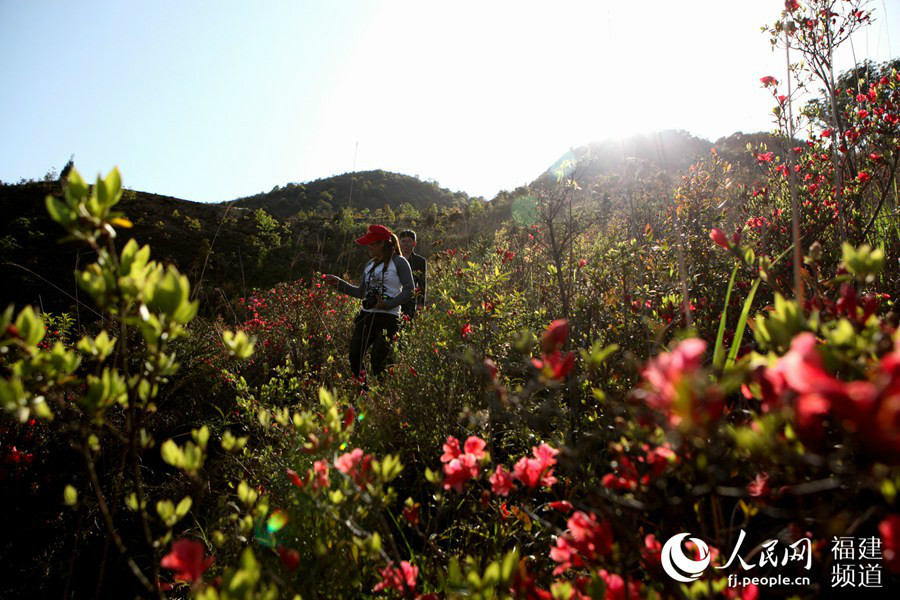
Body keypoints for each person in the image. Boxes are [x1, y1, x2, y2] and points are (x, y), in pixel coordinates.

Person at [323, 225, 414, 383]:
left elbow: (410, 289)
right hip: (366, 316)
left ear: (382, 243)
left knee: (378, 362)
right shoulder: (369, 265)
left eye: (371, 243)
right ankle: (363, 392)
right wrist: (339, 284)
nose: (368, 247)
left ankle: (381, 395)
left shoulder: (399, 262)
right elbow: (361, 292)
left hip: (389, 318)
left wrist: (388, 304)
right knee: (354, 357)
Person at [398, 230, 427, 320]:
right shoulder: (394, 259)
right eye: (403, 241)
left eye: (409, 241)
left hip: (410, 301)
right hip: (394, 299)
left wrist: (420, 305)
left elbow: (422, 284)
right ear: (399, 243)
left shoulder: (420, 261)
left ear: (414, 243)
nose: (406, 244)